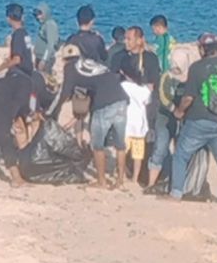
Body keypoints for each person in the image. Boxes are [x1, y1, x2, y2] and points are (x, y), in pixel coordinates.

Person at [167, 33, 217, 207]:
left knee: (181, 155)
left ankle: (176, 193)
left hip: (199, 120)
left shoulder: (197, 68)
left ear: (202, 49)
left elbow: (188, 98)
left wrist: (179, 111)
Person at [46, 44, 129, 189]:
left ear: (65, 59)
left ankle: (101, 181)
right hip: (121, 100)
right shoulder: (90, 64)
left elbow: (64, 94)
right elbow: (90, 94)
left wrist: (51, 114)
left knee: (97, 146)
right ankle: (120, 180)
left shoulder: (70, 68)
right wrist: (76, 118)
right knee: (120, 144)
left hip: (104, 104)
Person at [147, 46, 196, 186]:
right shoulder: (166, 76)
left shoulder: (191, 76)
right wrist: (175, 110)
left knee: (181, 148)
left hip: (184, 116)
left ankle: (178, 182)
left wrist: (184, 111)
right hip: (165, 116)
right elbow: (163, 97)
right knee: (160, 148)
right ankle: (151, 183)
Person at [119, 60, 152, 188]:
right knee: (138, 154)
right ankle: (135, 178)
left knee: (122, 150)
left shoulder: (123, 86)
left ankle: (120, 174)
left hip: (127, 123)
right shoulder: (143, 89)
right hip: (140, 125)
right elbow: (147, 102)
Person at [0, 3, 34, 75]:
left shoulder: (18, 35)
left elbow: (16, 60)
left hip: (21, 74)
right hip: (28, 71)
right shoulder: (25, 33)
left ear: (8, 19)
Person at [32, 2, 59, 74]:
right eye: (36, 15)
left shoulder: (50, 25)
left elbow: (50, 45)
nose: (38, 17)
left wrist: (44, 60)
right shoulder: (44, 25)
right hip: (40, 57)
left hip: (46, 59)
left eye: (40, 14)